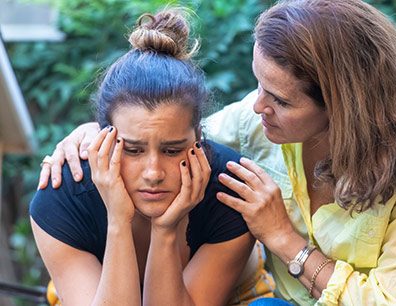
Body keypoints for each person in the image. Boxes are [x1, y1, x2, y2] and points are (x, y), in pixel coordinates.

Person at [38, 0, 396, 305]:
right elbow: (169, 134)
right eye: (258, 85)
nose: (257, 105)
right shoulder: (256, 122)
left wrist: (283, 239)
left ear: (345, 108)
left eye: (279, 99)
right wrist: (93, 132)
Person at [30, 9, 276, 306]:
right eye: (133, 150)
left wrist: (165, 230)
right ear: (102, 139)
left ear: (198, 137)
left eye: (172, 150)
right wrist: (118, 220)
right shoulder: (64, 195)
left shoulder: (230, 191)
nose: (153, 172)